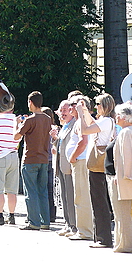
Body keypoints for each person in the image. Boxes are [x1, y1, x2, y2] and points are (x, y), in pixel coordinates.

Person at [105, 103, 132, 253]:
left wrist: (121, 176)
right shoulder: (128, 131)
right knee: (120, 213)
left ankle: (125, 245)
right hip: (120, 178)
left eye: (118, 114)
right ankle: (121, 244)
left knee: (121, 213)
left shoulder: (127, 132)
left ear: (124, 117)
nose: (116, 117)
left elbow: (127, 157)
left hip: (120, 179)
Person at [76, 93, 116, 248]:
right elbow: (91, 124)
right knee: (98, 200)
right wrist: (85, 112)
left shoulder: (106, 121)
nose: (96, 106)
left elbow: (84, 130)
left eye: (98, 104)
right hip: (99, 165)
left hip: (97, 166)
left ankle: (103, 238)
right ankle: (99, 236)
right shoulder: (106, 121)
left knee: (99, 201)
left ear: (104, 105)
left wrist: (80, 113)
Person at [15, 91, 52, 230]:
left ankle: (34, 222)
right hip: (44, 159)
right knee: (42, 190)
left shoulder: (30, 120)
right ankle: (45, 221)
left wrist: (18, 124)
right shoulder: (48, 118)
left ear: (30, 102)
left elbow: (16, 136)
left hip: (30, 159)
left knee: (31, 191)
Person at [65, 95, 94, 241]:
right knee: (80, 197)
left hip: (80, 162)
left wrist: (72, 157)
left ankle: (85, 231)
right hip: (80, 161)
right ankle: (83, 229)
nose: (70, 107)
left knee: (81, 197)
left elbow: (83, 142)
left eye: (73, 104)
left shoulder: (81, 122)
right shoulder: (80, 121)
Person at [51, 100, 77, 237]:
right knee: (64, 196)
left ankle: (74, 225)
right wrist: (55, 137)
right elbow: (59, 145)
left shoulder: (74, 125)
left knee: (70, 196)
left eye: (65, 110)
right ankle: (67, 224)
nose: (62, 113)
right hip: (60, 165)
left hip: (69, 166)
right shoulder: (65, 126)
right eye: (61, 110)